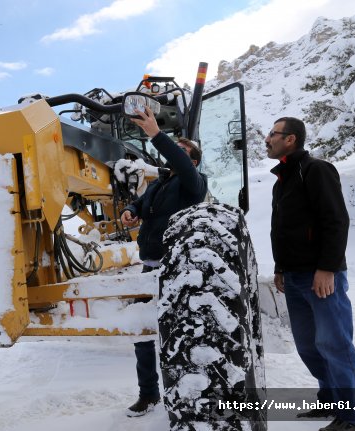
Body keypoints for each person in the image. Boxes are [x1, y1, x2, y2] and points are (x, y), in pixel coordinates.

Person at [266, 117, 355, 431]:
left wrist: (327, 268)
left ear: (291, 139)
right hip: (294, 277)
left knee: (335, 344)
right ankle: (330, 400)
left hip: (319, 276)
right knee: (309, 346)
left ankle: (354, 419)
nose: (267, 138)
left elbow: (336, 221)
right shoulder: (282, 179)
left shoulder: (316, 170)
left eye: (273, 133)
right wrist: (280, 268)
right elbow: (282, 230)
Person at [120, 106, 208, 417]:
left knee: (179, 334)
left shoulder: (194, 183)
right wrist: (131, 210)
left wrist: (157, 135)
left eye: (182, 152)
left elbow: (182, 164)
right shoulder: (159, 183)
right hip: (149, 267)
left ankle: (187, 396)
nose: (175, 155)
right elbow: (141, 204)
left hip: (177, 269)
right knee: (143, 333)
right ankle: (148, 394)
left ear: (192, 161)